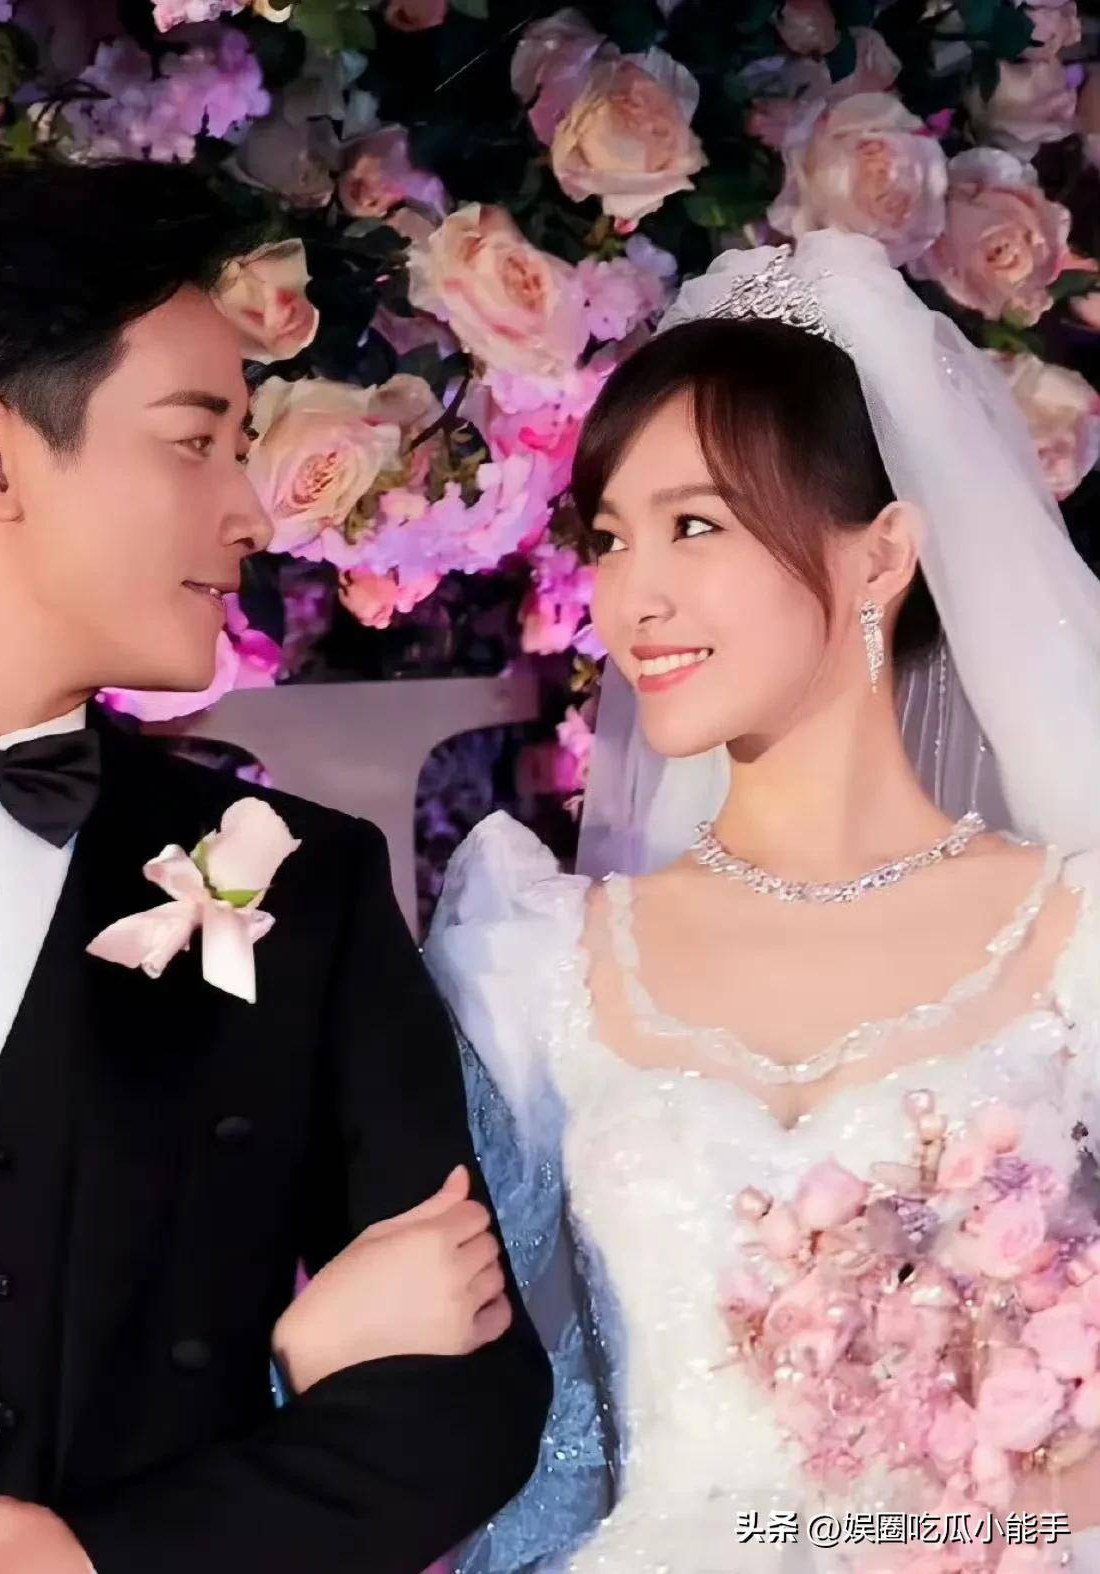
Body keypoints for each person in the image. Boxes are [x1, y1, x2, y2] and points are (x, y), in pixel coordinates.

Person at [0, 158, 550, 1574]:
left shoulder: (296, 883)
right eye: (194, 441)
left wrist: (118, 1559)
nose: (250, 513)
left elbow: (466, 1395)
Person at [426, 231, 1100, 1572]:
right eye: (609, 538)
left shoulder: (1072, 934)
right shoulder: (542, 955)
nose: (633, 596)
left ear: (880, 557)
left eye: (695, 525)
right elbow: (456, 1371)